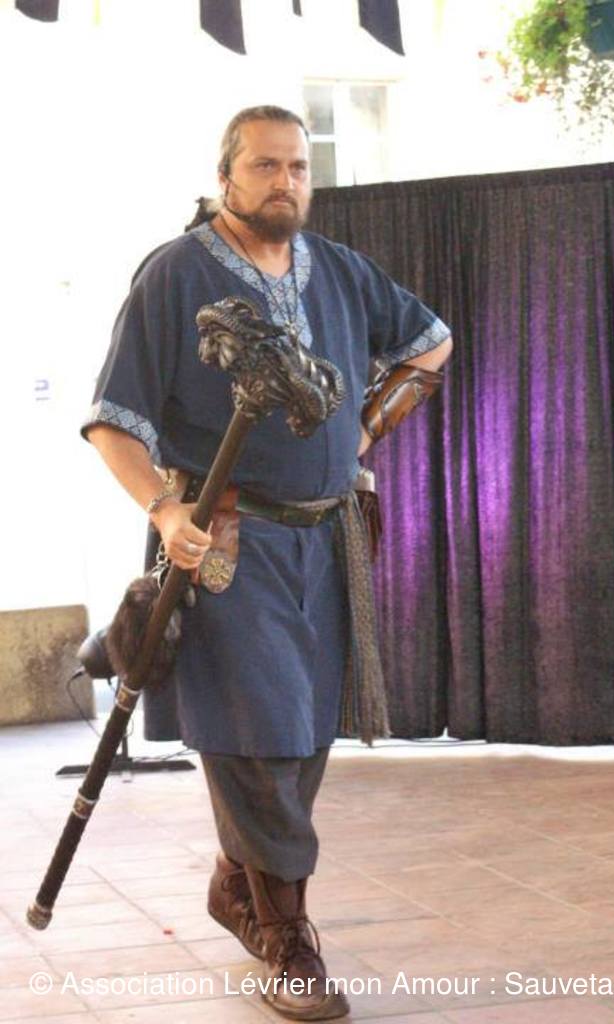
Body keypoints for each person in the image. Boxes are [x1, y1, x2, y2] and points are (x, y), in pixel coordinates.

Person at [82, 105, 453, 1021]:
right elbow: (114, 419)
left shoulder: (341, 270)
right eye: (264, 166)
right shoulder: (176, 274)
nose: (284, 182)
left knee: (308, 731)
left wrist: (361, 428)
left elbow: (429, 342)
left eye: (296, 167)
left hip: (327, 537)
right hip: (227, 539)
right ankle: (289, 939)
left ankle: (237, 881)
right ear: (225, 175)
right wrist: (164, 507)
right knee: (256, 738)